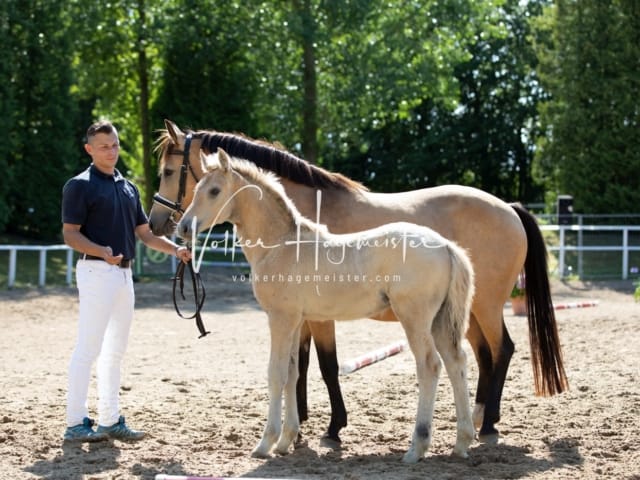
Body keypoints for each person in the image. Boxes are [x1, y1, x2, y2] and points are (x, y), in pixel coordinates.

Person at [61, 120, 191, 442]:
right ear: (89, 149)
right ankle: (75, 422)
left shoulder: (128, 187)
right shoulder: (79, 185)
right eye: (104, 146)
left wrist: (176, 249)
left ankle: (109, 419)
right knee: (88, 348)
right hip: (95, 272)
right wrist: (101, 252)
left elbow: (145, 234)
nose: (111, 151)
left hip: (123, 276)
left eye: (115, 144)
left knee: (115, 351)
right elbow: (70, 234)